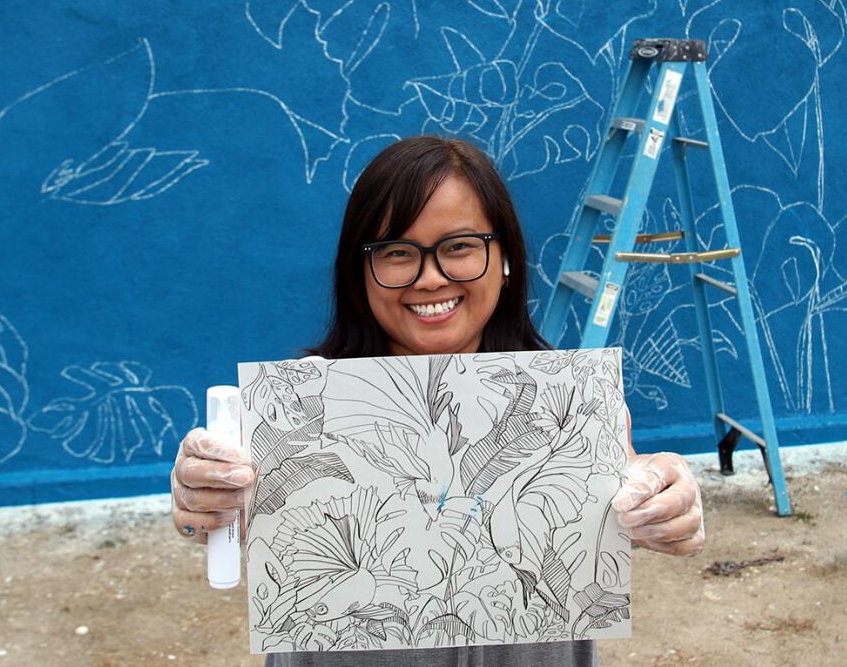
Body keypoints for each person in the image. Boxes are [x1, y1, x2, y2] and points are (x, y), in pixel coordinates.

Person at [171, 136, 705, 666]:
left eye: (459, 247)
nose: (430, 278)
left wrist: (664, 501)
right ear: (360, 272)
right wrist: (202, 505)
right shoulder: (297, 411)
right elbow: (219, 516)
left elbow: (623, 495)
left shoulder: (569, 405)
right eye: (398, 252)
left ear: (506, 259)